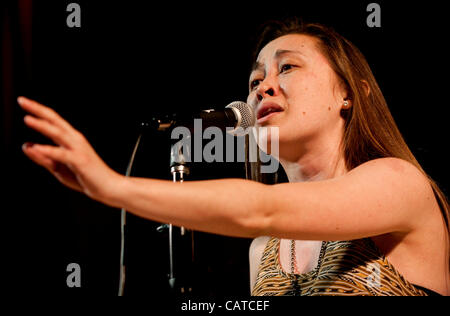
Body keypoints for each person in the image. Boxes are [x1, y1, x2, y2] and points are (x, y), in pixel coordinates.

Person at [20, 19, 449, 296]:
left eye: (288, 68)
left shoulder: (399, 183)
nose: (263, 87)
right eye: (255, 78)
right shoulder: (262, 251)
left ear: (349, 94)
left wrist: (112, 186)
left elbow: (261, 209)